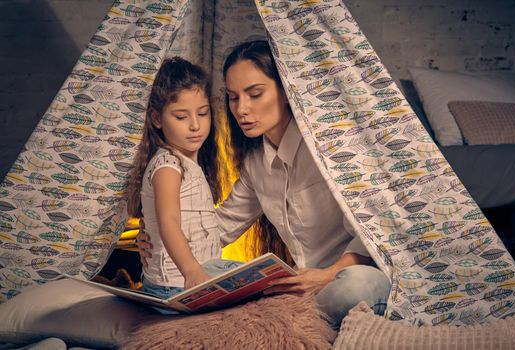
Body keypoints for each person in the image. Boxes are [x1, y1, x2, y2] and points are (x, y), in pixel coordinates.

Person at [138, 41, 391, 326]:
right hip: (295, 287)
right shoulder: (255, 164)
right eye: (233, 98)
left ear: (285, 92)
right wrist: (159, 238)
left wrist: (326, 276)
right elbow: (219, 226)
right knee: (219, 275)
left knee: (356, 286)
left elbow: (370, 235)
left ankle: (289, 319)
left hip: (341, 277)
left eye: (255, 94)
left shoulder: (329, 154)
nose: (242, 109)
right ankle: (285, 320)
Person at [127, 57, 240, 299]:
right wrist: (192, 272)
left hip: (201, 274)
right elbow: (168, 220)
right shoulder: (168, 165)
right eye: (181, 117)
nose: (195, 125)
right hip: (177, 284)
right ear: (157, 119)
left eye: (202, 113)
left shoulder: (191, 163)